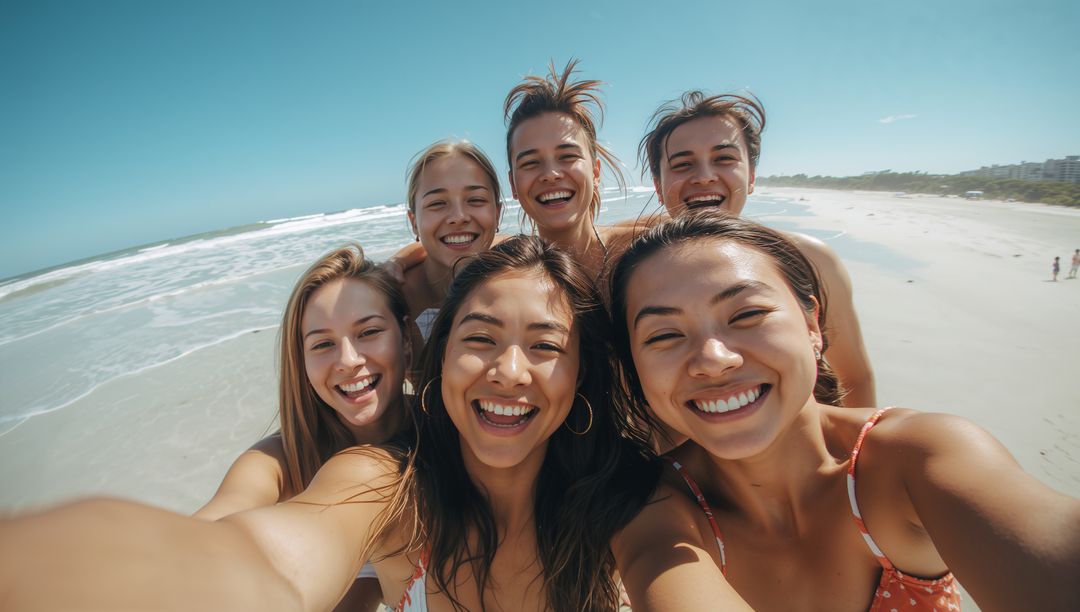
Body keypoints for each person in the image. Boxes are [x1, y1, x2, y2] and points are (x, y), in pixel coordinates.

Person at [0, 236, 659, 612]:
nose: (510, 371)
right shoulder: (387, 480)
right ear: (441, 353)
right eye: (480, 338)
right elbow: (256, 557)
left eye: (545, 346)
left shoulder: (621, 495)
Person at [609, 212, 1080, 611]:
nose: (713, 359)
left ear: (813, 324)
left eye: (746, 314)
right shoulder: (653, 506)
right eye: (664, 335)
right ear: (634, 367)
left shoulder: (916, 456)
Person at [194, 243, 413, 611]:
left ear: (406, 338)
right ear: (302, 361)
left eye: (369, 332)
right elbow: (214, 526)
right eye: (323, 343)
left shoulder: (448, 429)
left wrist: (404, 259)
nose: (348, 360)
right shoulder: (280, 458)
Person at [638, 91, 876, 408]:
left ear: (750, 176)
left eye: (724, 159)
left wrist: (857, 450)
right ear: (658, 185)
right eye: (683, 165)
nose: (705, 177)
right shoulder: (641, 273)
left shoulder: (810, 260)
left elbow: (855, 378)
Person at [504, 60, 654, 282]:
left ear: (595, 172)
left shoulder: (645, 252)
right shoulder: (507, 274)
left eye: (567, 156)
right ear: (513, 185)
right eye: (530, 163)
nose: (551, 174)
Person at [399, 140, 502, 341]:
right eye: (437, 203)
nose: (458, 216)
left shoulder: (517, 277)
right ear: (414, 222)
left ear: (497, 214)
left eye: (476, 200)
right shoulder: (396, 299)